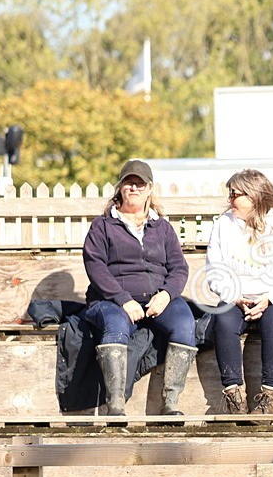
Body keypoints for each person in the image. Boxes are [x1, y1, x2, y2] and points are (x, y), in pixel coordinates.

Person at [82, 159, 196, 416]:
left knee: (185, 324)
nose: (134, 188)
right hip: (111, 300)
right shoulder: (102, 226)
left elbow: (179, 268)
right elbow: (95, 267)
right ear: (120, 188)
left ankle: (170, 403)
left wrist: (166, 295)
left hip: (157, 297)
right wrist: (123, 299)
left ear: (149, 189)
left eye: (139, 183)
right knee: (116, 326)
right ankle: (115, 404)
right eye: (128, 183)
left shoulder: (163, 228)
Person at [205, 170, 273, 414]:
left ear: (254, 196)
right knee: (222, 320)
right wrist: (234, 296)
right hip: (238, 295)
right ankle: (233, 396)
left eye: (235, 195)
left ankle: (269, 396)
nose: (229, 201)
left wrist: (270, 298)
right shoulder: (223, 224)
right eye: (229, 195)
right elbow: (214, 270)